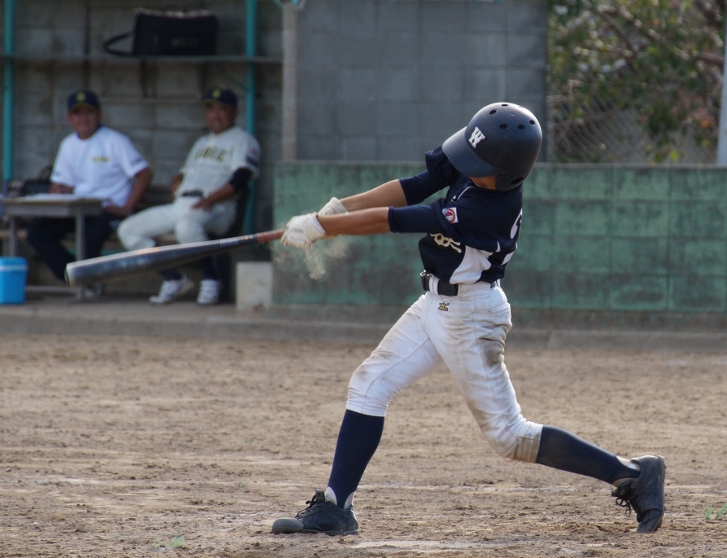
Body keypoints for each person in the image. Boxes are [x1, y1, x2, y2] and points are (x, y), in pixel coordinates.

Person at [271, 103, 666, 536]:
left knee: (509, 436)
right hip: (434, 303)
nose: (467, 168)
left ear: (507, 174)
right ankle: (335, 507)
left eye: (478, 166)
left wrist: (325, 227)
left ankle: (632, 474)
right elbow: (412, 188)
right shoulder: (479, 159)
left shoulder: (491, 207)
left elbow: (398, 219)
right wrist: (339, 209)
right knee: (369, 384)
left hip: (471, 316)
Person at [116, 87, 260, 305]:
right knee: (128, 229)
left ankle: (211, 280)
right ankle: (173, 278)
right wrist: (176, 180)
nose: (216, 115)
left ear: (235, 112)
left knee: (186, 227)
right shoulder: (202, 142)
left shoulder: (243, 140)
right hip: (183, 204)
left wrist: (211, 199)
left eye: (222, 109)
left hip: (218, 206)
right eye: (211, 109)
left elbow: (241, 178)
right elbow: (185, 172)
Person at [26, 89, 153, 292]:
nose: (83, 119)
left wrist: (125, 208)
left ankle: (88, 281)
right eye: (78, 114)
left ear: (99, 114)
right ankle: (77, 278)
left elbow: (144, 174)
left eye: (89, 112)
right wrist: (59, 189)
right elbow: (64, 183)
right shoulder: (68, 144)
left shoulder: (115, 141)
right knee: (37, 233)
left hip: (108, 209)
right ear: (69, 118)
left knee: (90, 234)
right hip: (79, 209)